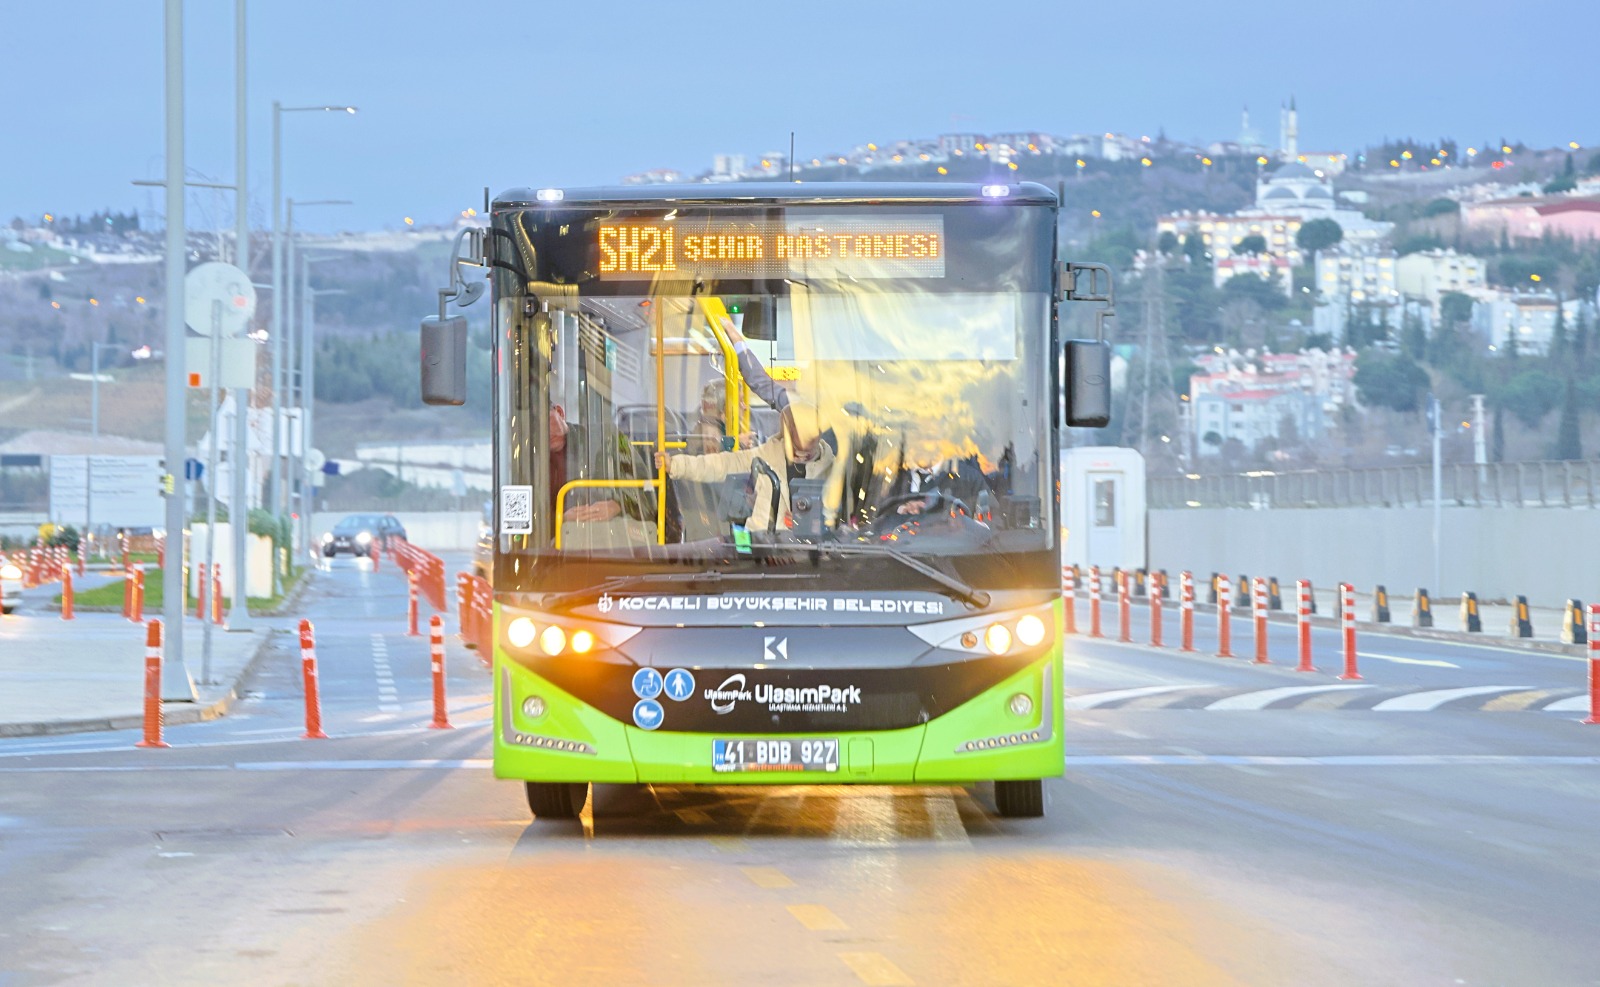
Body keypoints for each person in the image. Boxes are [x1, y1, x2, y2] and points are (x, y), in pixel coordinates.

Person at [656, 399, 834, 535]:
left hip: (811, 557)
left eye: (812, 428)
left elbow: (843, 522)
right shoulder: (765, 456)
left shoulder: (833, 469)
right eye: (799, 428)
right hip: (762, 551)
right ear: (786, 431)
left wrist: (815, 523)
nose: (807, 435)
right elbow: (721, 464)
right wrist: (675, 465)